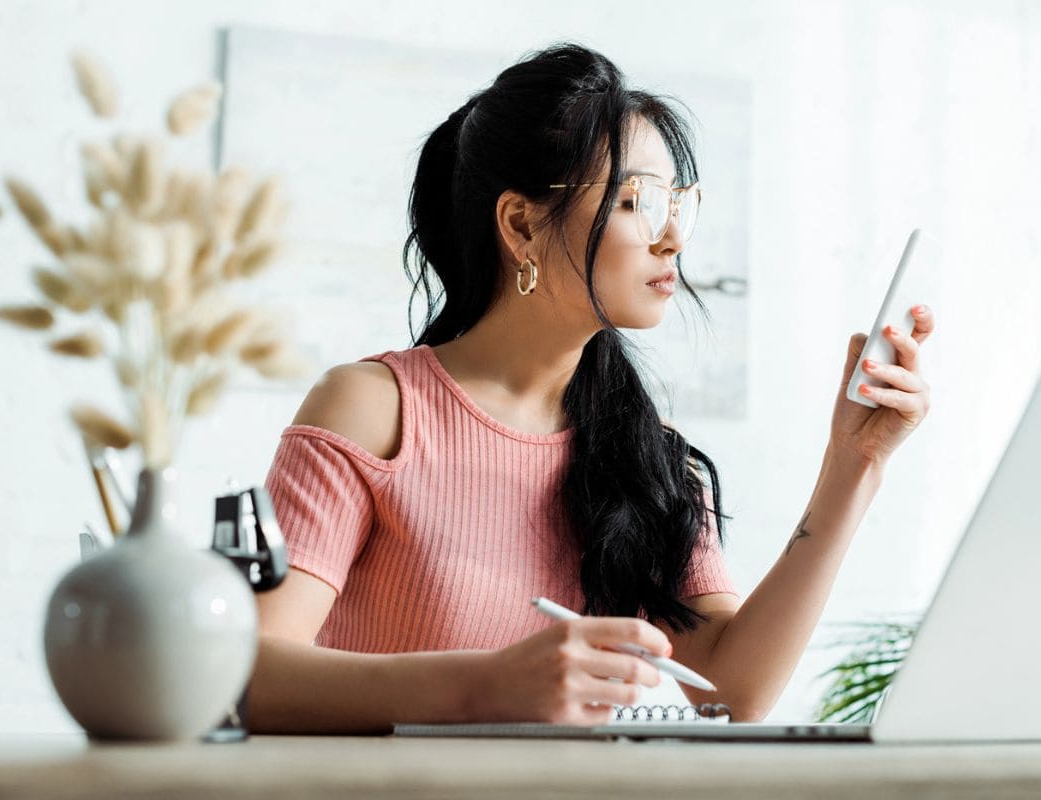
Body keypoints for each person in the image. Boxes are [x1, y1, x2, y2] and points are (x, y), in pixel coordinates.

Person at [247, 42, 934, 733]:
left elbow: (731, 690)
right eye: (637, 201)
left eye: (677, 203)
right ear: (520, 225)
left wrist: (854, 467)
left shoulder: (647, 457)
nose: (671, 239)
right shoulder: (375, 408)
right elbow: (251, 675)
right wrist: (486, 686)